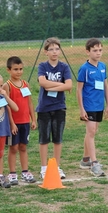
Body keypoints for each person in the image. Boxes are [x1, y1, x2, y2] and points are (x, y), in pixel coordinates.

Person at [36, 37, 73, 180]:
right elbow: (42, 83)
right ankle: (44, 168)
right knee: (44, 139)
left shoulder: (64, 67)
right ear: (46, 52)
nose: (54, 52)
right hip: (44, 108)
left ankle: (57, 166)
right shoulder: (42, 66)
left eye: (57, 49)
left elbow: (69, 85)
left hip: (59, 107)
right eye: (51, 49)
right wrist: (60, 85)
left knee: (58, 139)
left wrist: (52, 85)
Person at [77, 38, 108, 177]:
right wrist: (82, 109)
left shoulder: (102, 66)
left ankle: (85, 159)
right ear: (88, 52)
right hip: (89, 105)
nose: (98, 53)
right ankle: (94, 164)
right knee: (91, 131)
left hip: (99, 105)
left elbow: (105, 86)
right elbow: (79, 89)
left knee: (93, 131)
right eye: (95, 50)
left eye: (100, 50)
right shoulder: (84, 69)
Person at [3, 56, 37, 185]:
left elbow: (29, 102)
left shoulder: (25, 84)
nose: (19, 72)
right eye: (15, 69)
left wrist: (33, 119)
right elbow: (7, 107)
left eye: (21, 69)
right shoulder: (7, 86)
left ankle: (25, 171)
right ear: (9, 70)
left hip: (25, 122)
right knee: (13, 147)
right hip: (14, 123)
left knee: (23, 146)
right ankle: (12, 173)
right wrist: (11, 123)